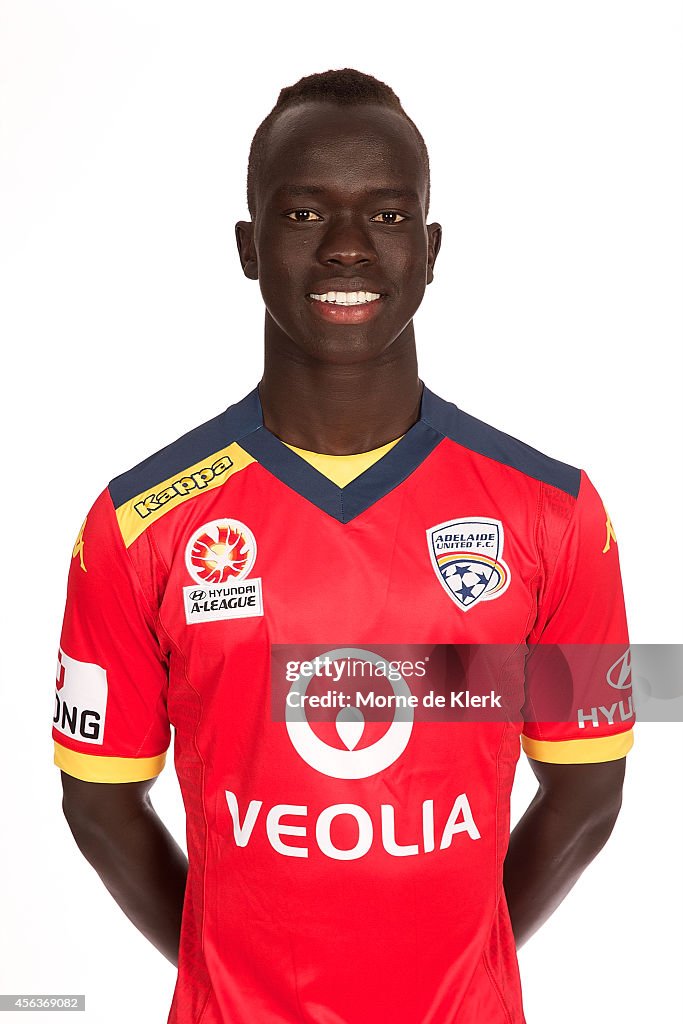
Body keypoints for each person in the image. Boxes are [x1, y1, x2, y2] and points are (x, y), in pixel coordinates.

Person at [54, 68, 634, 1024]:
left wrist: (459, 968)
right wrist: (228, 977)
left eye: (389, 216)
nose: (348, 247)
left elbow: (588, 792)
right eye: (302, 215)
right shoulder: (138, 523)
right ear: (247, 248)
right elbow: (99, 806)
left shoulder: (556, 513)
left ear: (432, 249)